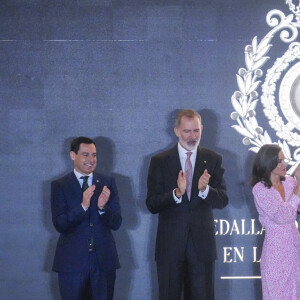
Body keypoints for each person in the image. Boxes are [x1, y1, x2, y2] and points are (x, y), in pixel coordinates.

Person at [146, 109, 228, 300]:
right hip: (170, 247)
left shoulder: (214, 159)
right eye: (187, 132)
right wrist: (176, 194)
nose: (192, 137)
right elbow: (152, 204)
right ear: (176, 131)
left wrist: (205, 190)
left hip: (202, 247)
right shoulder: (160, 161)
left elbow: (222, 200)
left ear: (202, 129)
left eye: (196, 131)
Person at [51, 136, 122, 300]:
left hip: (103, 262)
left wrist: (103, 208)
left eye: (94, 155)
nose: (91, 160)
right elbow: (60, 224)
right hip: (71, 263)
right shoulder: (60, 185)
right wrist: (83, 206)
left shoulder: (107, 182)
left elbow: (117, 222)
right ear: (72, 155)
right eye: (85, 155)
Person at [251, 144, 300, 300]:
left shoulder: (290, 183)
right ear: (268, 162)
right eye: (280, 161)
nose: (284, 164)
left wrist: (298, 182)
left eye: (284, 160)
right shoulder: (260, 189)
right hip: (275, 252)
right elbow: (283, 216)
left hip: (295, 249)